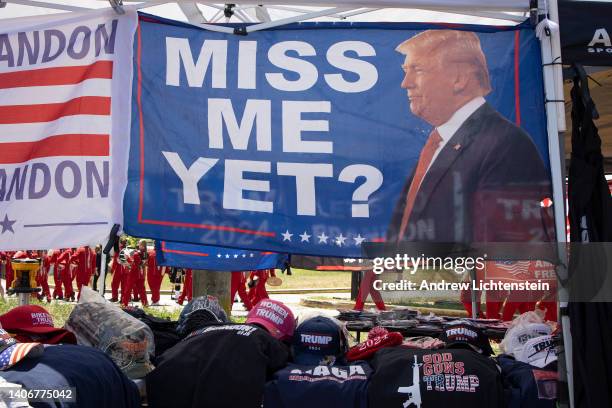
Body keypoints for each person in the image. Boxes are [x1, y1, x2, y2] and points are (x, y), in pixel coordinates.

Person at [388, 30, 552, 244]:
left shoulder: (504, 144)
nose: (405, 83)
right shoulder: (441, 140)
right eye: (405, 70)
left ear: (459, 78)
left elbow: (503, 251)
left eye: (417, 70)